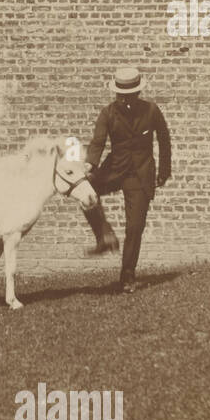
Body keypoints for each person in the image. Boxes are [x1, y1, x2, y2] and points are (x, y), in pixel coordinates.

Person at [81, 67, 172, 293]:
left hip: (140, 174)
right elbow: (98, 142)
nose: (124, 99)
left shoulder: (151, 110)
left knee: (135, 226)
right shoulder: (108, 113)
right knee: (85, 189)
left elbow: (164, 138)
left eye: (129, 95)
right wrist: (91, 164)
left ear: (137, 93)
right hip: (115, 168)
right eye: (120, 95)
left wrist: (164, 170)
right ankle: (104, 237)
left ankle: (128, 275)